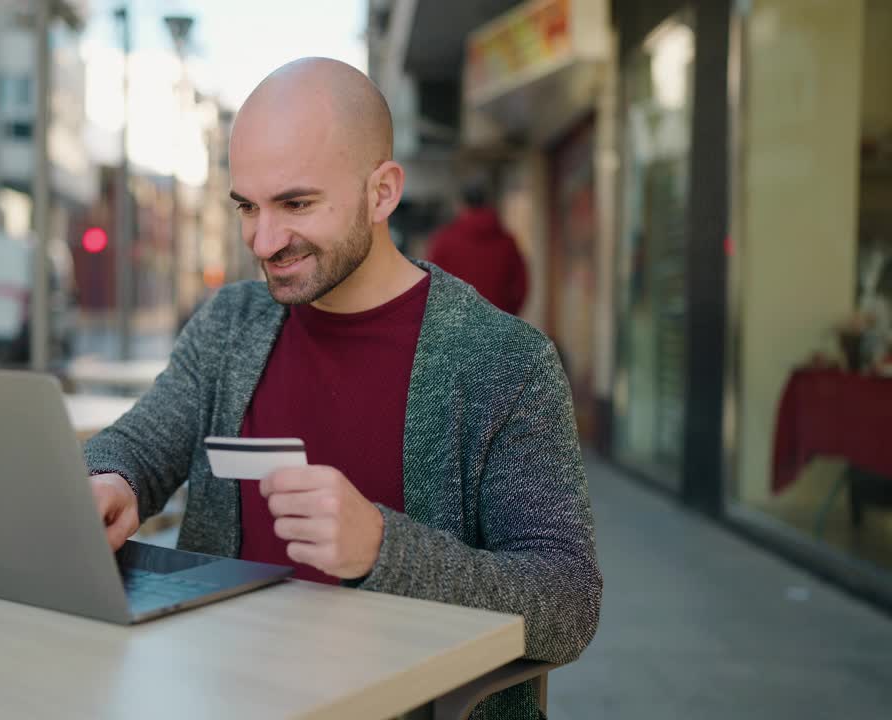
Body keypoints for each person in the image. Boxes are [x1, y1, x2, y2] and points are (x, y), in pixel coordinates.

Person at [83, 58, 600, 718]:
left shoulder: (506, 363)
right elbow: (141, 442)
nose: (264, 241)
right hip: (222, 695)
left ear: (382, 193)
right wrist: (112, 480)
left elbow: (566, 605)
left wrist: (383, 549)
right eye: (248, 206)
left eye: (296, 204)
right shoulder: (228, 325)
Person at [425, 177, 529, 315]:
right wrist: (509, 312)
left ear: (462, 205)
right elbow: (520, 285)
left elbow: (431, 283)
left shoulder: (444, 240)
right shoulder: (506, 242)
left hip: (456, 322)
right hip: (498, 321)